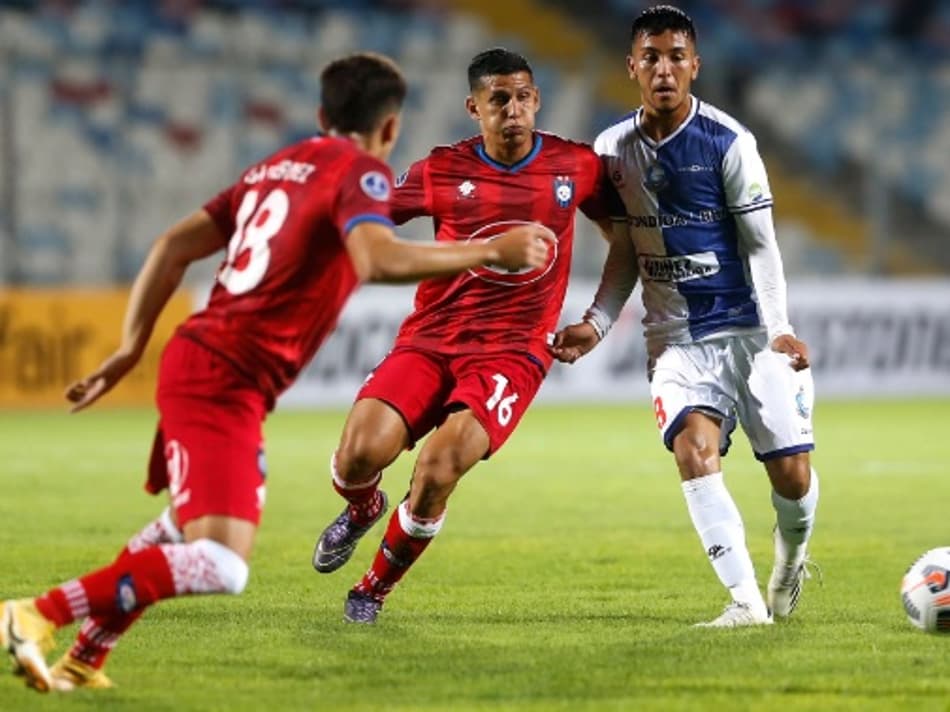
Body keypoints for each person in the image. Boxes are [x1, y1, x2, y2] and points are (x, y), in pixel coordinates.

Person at [0, 52, 554, 694]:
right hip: (224, 380)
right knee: (221, 564)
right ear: (391, 128)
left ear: (321, 115)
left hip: (201, 359)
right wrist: (491, 248)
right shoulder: (363, 175)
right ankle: (36, 613)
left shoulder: (275, 168)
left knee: (182, 525)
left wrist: (130, 347)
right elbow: (375, 259)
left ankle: (88, 653)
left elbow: (172, 247)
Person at [311, 47, 627, 624]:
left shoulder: (576, 166)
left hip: (512, 352)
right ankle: (363, 508)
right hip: (430, 339)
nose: (513, 109)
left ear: (537, 100)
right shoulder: (441, 169)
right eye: (498, 99)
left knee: (438, 469)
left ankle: (371, 590)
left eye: (524, 96)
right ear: (473, 107)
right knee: (357, 455)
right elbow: (370, 217)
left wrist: (598, 320)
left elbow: (625, 241)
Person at [551, 5, 819, 628]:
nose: (664, 69)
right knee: (693, 450)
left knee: (792, 477)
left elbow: (761, 245)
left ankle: (791, 558)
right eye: (651, 57)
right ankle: (746, 604)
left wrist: (779, 327)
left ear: (695, 65)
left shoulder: (730, 143)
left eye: (676, 57)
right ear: (632, 67)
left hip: (749, 331)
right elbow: (625, 247)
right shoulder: (611, 149)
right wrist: (595, 321)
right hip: (674, 338)